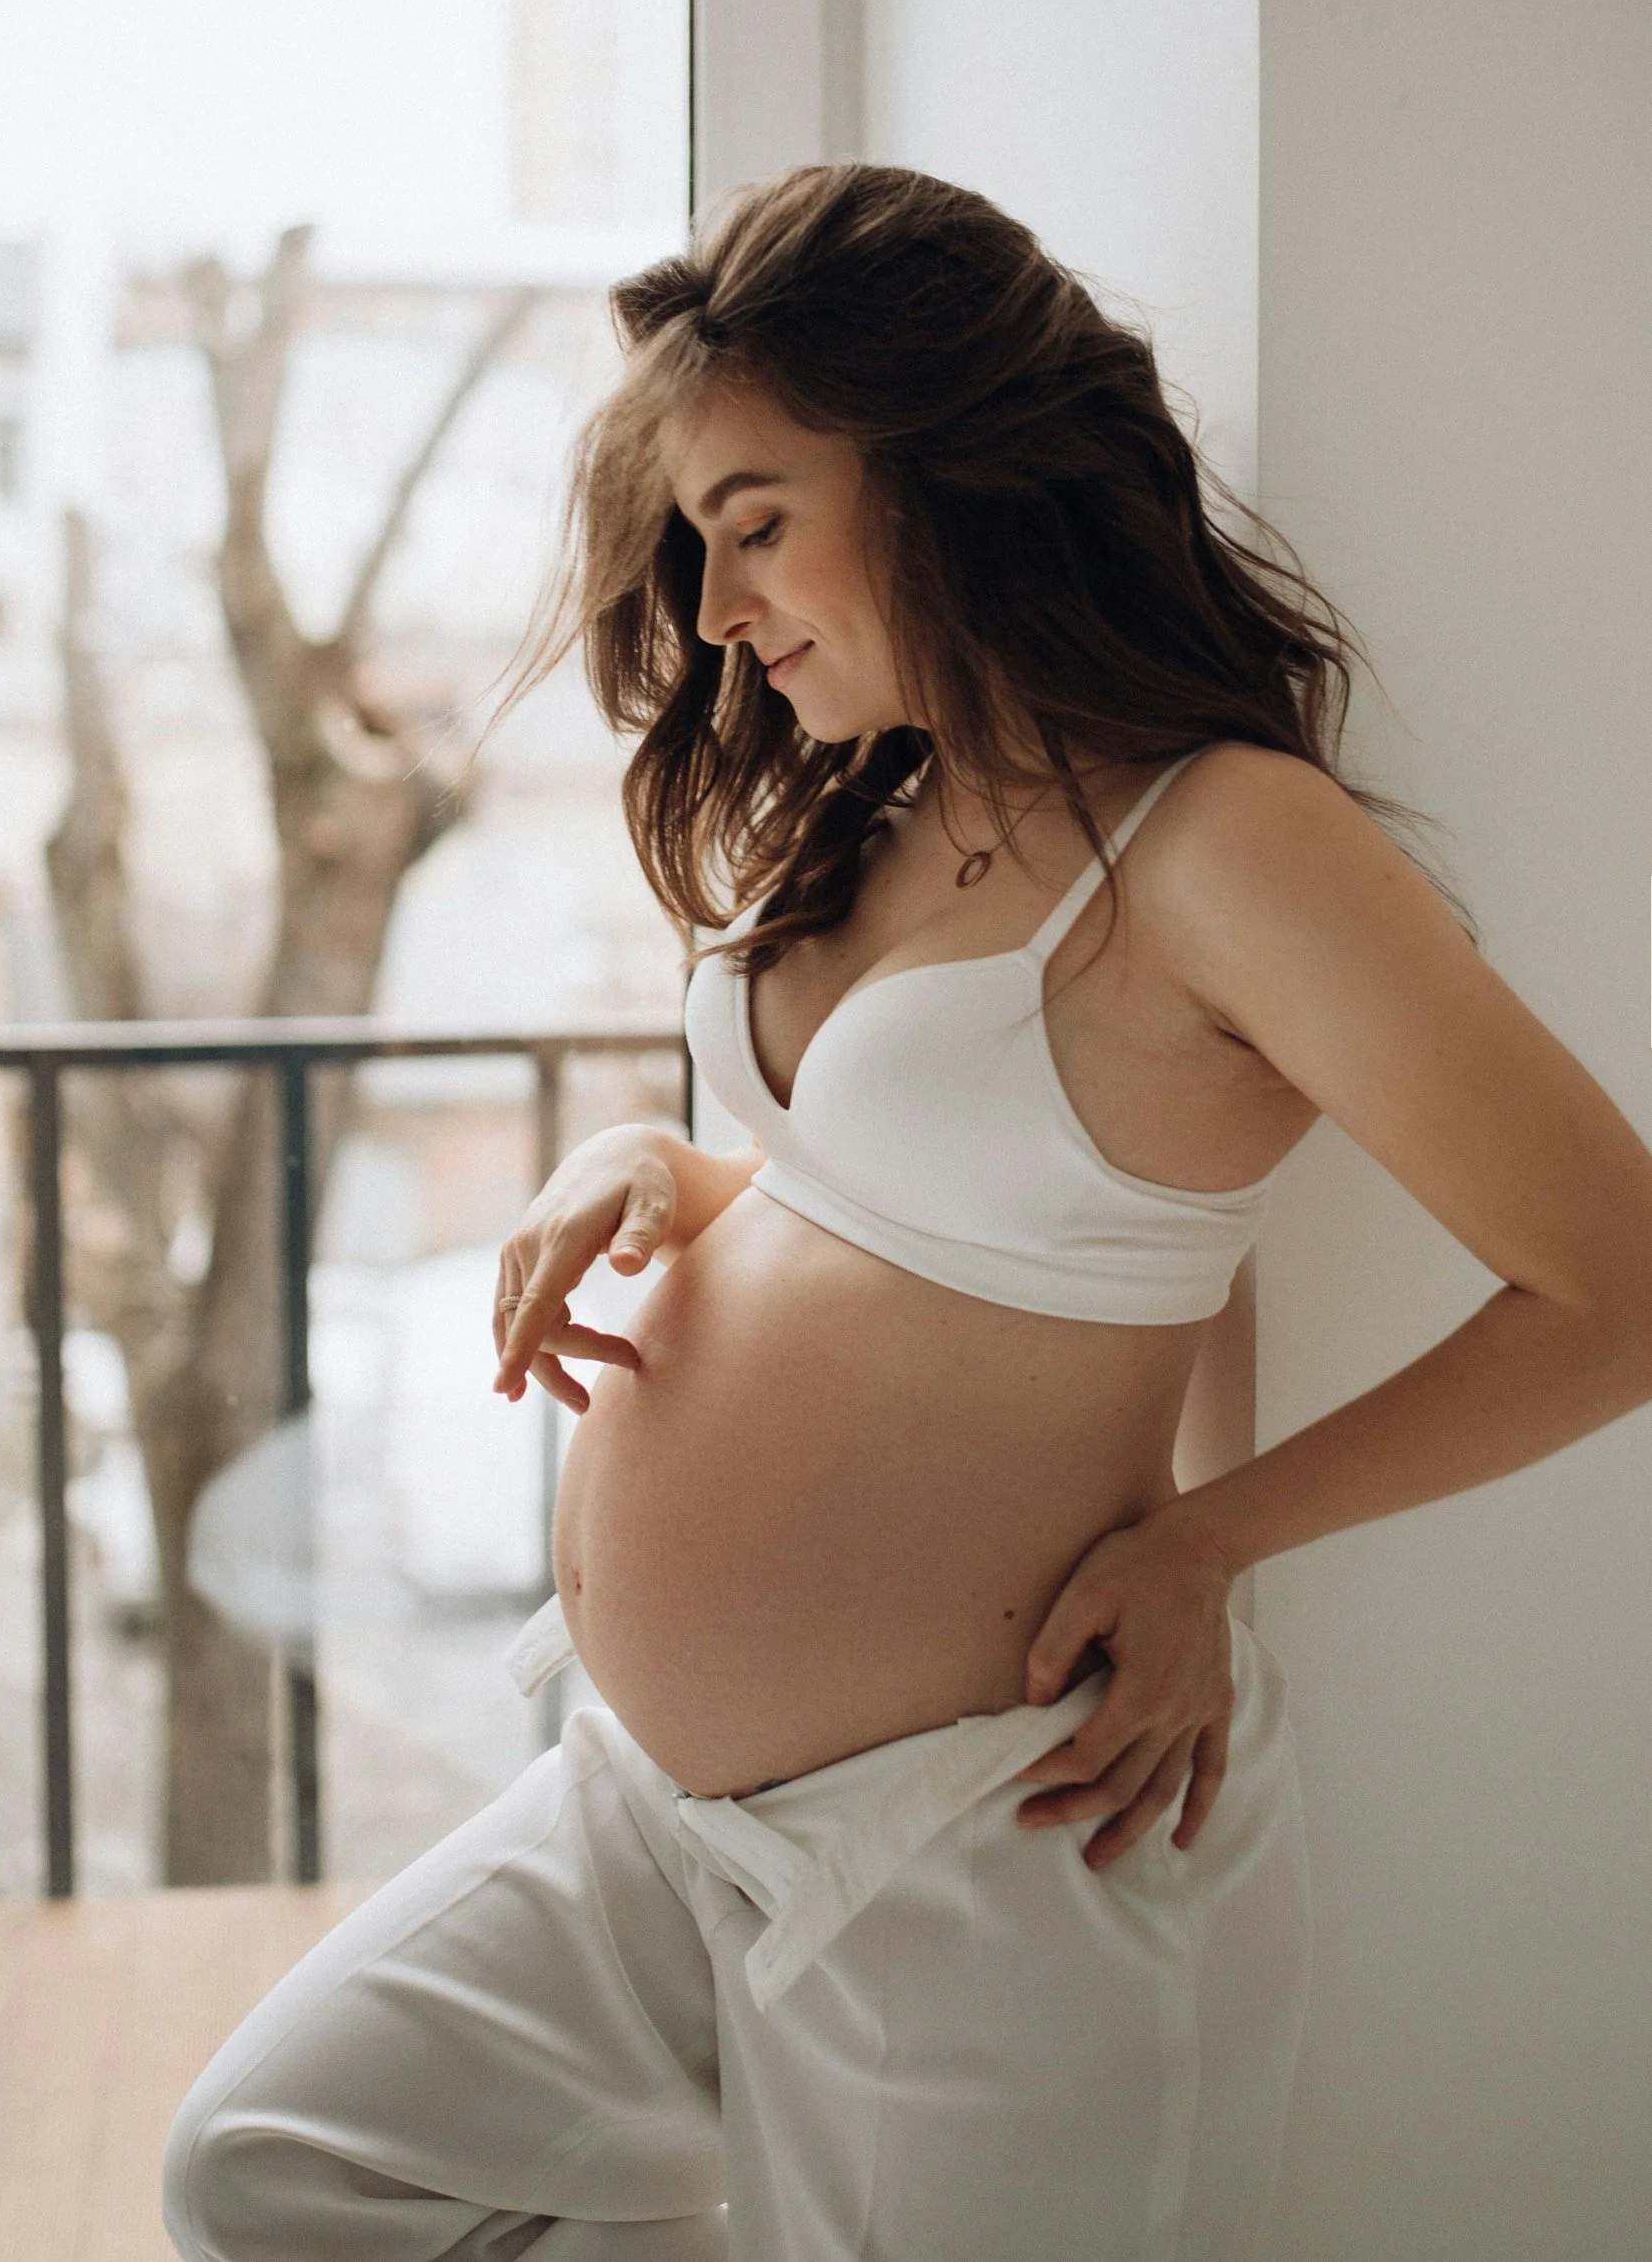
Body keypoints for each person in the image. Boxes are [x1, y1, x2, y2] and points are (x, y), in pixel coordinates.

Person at [164, 165, 1652, 2261]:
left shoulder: (1227, 842)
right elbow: (933, 1206)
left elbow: (1615, 1286)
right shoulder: (897, 793)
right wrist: (659, 1169)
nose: (714, 610)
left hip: (979, 1840)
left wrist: (1204, 1541)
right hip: (654, 1807)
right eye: (692, 544)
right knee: (274, 2161)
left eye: (755, 521)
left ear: (950, 468)